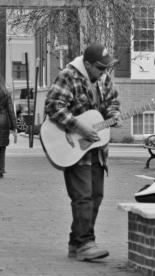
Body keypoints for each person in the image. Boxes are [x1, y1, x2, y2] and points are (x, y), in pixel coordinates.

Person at [45, 43, 121, 261]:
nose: (103, 72)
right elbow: (53, 105)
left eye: (106, 68)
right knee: (82, 197)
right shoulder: (68, 75)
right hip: (72, 145)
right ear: (87, 64)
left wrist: (113, 115)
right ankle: (86, 243)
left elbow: (113, 102)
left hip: (95, 148)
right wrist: (79, 127)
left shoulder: (104, 79)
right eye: (99, 68)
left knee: (95, 196)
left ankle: (76, 243)